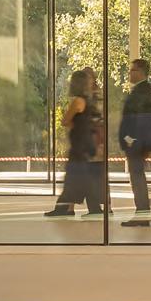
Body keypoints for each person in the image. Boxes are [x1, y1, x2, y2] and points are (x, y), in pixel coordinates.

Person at [44, 68, 104, 217]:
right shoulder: (88, 101)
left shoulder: (78, 101)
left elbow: (65, 120)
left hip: (79, 144)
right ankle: (90, 209)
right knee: (81, 177)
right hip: (86, 143)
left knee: (73, 177)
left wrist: (75, 126)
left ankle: (65, 208)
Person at [118, 58, 151, 227]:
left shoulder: (142, 91)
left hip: (136, 143)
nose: (130, 73)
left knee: (137, 178)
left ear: (140, 72)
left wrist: (131, 139)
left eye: (133, 70)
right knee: (137, 177)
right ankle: (143, 212)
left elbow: (141, 120)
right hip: (137, 143)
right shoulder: (142, 90)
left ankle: (142, 214)